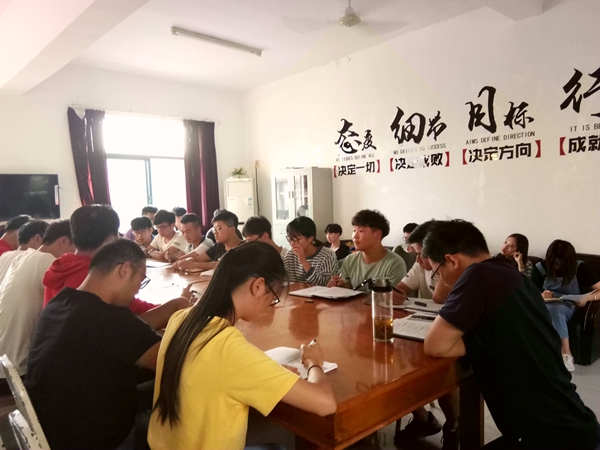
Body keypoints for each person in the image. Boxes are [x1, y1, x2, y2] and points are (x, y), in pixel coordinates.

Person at [422, 220, 600, 450]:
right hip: (571, 426)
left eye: (437, 273)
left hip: (554, 439)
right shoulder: (512, 274)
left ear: (452, 260)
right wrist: (486, 338)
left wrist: (479, 338)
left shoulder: (478, 276)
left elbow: (435, 345)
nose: (441, 280)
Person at [148, 241, 337, 450]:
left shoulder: (181, 318)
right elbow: (325, 403)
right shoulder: (228, 347)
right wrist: (313, 362)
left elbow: (214, 369)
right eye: (273, 298)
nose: (270, 307)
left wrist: (262, 369)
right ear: (258, 286)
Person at [26, 239, 163, 450]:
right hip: (94, 438)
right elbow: (172, 360)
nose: (137, 290)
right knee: (178, 385)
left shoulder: (61, 302)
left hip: (52, 428)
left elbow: (126, 334)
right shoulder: (109, 319)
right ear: (125, 270)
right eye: (141, 279)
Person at [43, 205, 189, 330]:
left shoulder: (62, 266)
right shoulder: (95, 276)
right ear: (110, 240)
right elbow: (132, 318)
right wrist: (178, 305)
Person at [392, 221, 456, 449]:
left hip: (449, 336)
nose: (417, 260)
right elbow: (400, 289)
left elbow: (439, 298)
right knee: (395, 364)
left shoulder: (455, 270)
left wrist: (439, 273)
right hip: (421, 329)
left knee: (444, 375)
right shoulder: (421, 266)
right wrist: (395, 293)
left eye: (422, 254)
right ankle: (423, 418)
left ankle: (453, 426)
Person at [0, 220, 75, 386]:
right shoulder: (47, 261)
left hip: (5, 362)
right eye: (75, 249)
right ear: (63, 241)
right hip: (18, 371)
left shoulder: (19, 257)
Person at [531, 239, 600, 372]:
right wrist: (541, 295)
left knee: (555, 309)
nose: (557, 266)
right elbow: (528, 291)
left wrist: (587, 298)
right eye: (554, 263)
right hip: (545, 304)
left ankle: (566, 353)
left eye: (561, 263)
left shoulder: (579, 268)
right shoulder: (541, 268)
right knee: (550, 308)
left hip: (570, 306)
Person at [328, 210, 406, 291]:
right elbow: (350, 289)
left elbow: (393, 297)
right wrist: (340, 286)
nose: (355, 236)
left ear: (377, 234)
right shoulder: (349, 260)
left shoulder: (395, 264)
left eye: (361, 231)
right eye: (354, 230)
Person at [174, 210, 243, 272]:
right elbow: (197, 259)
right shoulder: (218, 246)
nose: (215, 233)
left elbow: (222, 265)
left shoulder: (244, 248)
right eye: (214, 229)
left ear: (232, 229)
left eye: (219, 228)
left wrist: (194, 264)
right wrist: (187, 261)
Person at [283, 216, 337, 286]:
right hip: (296, 293)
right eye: (290, 239)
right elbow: (282, 280)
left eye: (296, 239)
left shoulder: (327, 255)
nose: (292, 243)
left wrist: (304, 262)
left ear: (310, 238)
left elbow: (326, 283)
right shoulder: (290, 255)